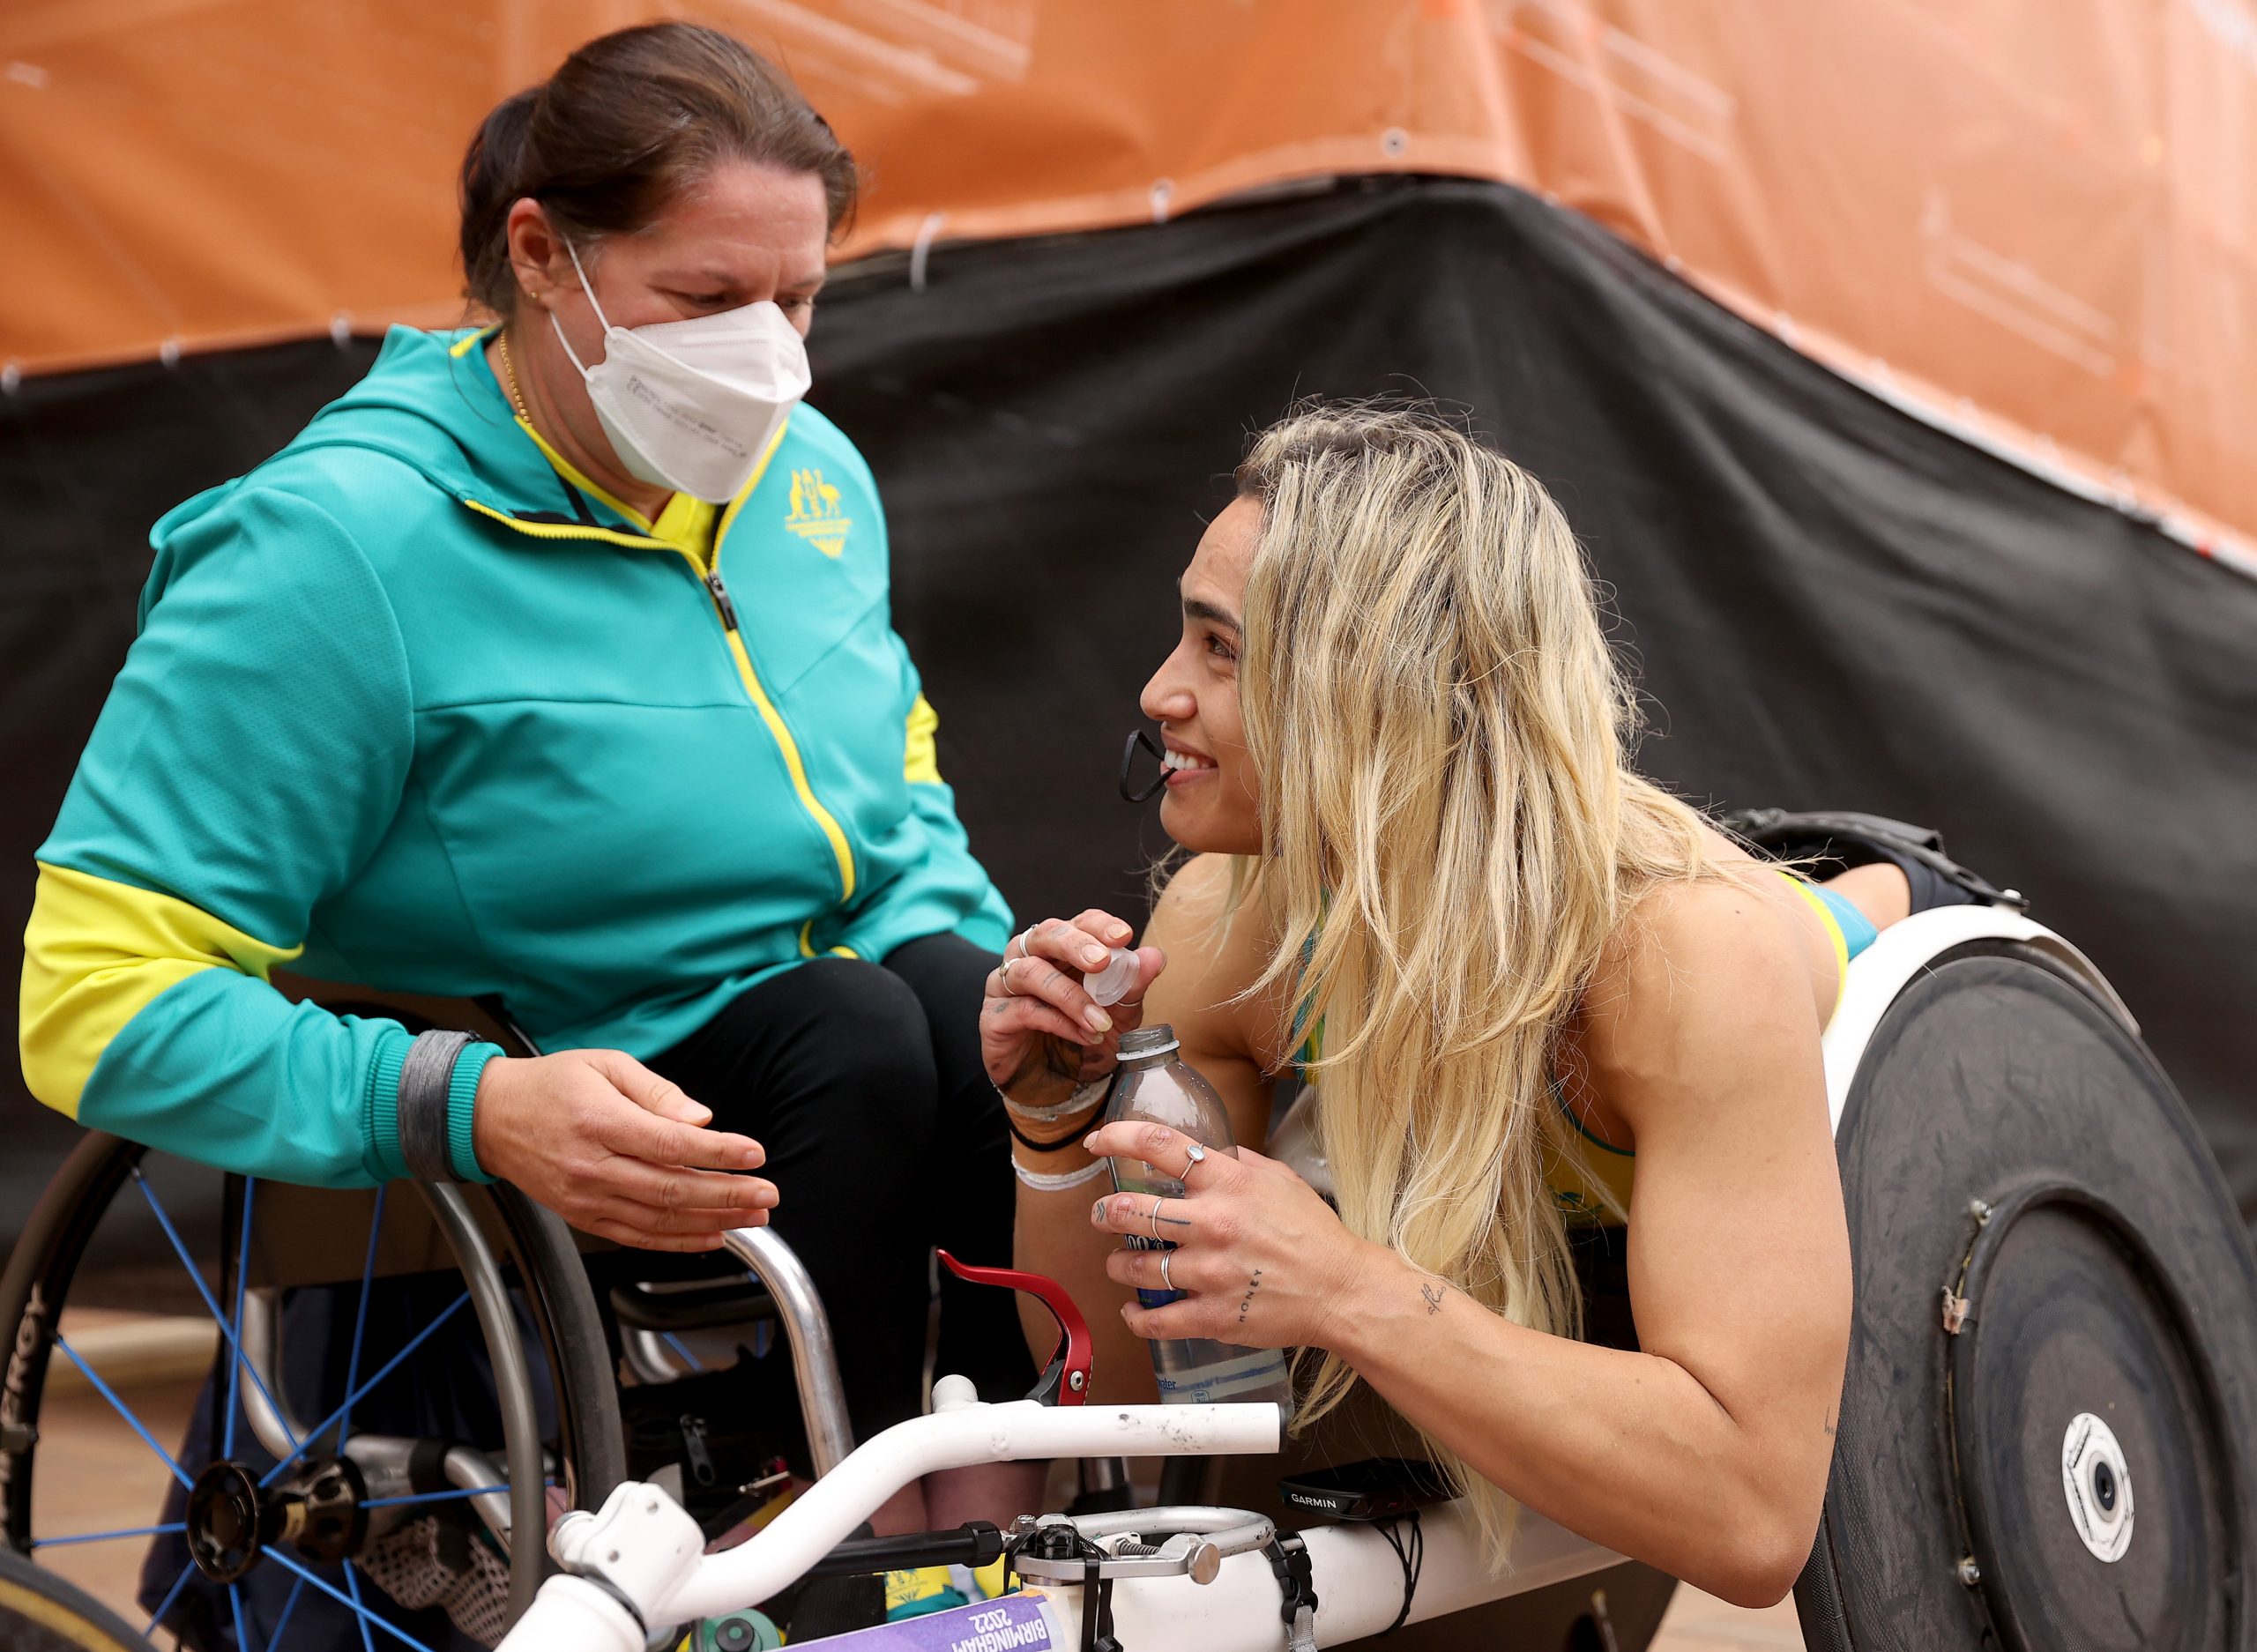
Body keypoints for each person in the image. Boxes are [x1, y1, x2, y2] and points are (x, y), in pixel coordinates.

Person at [20, 21, 1039, 1542]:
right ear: (542, 255)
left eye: (802, 296)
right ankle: (866, 1559)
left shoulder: (814, 478)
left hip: (833, 1060)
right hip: (557, 1081)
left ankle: (1022, 1517)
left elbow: (896, 820)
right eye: (705, 297)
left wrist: (1027, 984)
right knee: (861, 1032)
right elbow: (89, 995)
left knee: (986, 1022)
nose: (767, 354)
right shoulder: (336, 548)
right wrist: (464, 1102)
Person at [985, 405, 1938, 1609]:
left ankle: (1886, 880)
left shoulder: (1684, 960)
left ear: (1367, 685)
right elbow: (1139, 1388)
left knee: (1840, 914)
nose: (1159, 689)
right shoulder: (1228, 923)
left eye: (1221, 650)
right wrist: (1058, 1125)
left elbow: (1756, 1517)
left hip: (1811, 938)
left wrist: (1346, 1287)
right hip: (1493, 932)